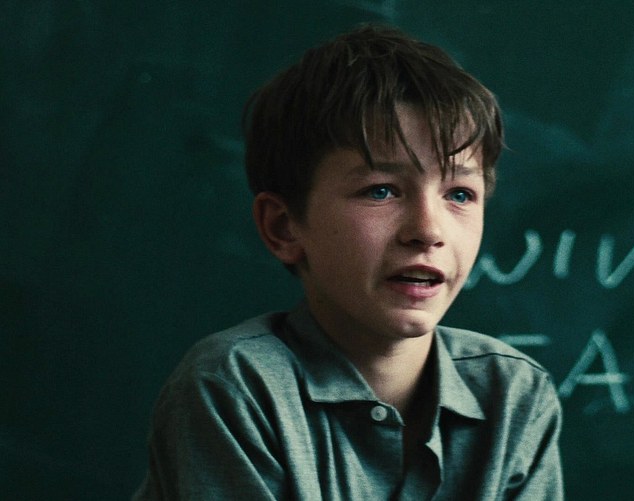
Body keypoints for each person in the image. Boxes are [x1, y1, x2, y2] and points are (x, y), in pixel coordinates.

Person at [133, 24, 563, 500]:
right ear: (283, 227)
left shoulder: (516, 394)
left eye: (460, 194)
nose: (429, 230)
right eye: (381, 191)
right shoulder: (236, 386)